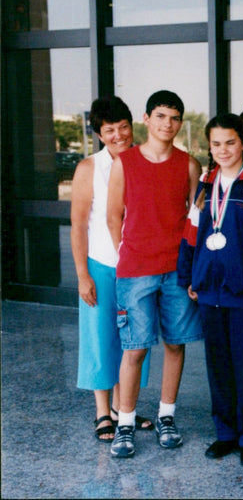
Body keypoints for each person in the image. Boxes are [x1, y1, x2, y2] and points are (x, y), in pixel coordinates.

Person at [178, 113, 243, 467]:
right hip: (209, 290)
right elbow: (192, 235)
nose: (223, 150)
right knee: (217, 365)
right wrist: (188, 275)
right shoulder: (206, 184)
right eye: (216, 143)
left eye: (231, 142)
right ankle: (226, 433)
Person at [106, 89, 202, 458]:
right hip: (136, 270)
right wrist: (127, 252)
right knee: (134, 349)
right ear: (147, 119)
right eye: (161, 116)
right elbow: (114, 215)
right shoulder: (125, 162)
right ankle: (125, 423)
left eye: (175, 117)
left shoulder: (188, 164)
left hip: (175, 269)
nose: (168, 123)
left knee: (175, 344)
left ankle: (166, 416)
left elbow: (195, 218)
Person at [71, 96, 152, 443]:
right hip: (101, 266)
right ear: (99, 135)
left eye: (123, 127)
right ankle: (103, 412)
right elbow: (77, 226)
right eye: (109, 131)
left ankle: (124, 409)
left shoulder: (145, 161)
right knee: (100, 339)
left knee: (132, 341)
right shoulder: (90, 168)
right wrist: (82, 275)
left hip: (137, 268)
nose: (119, 135)